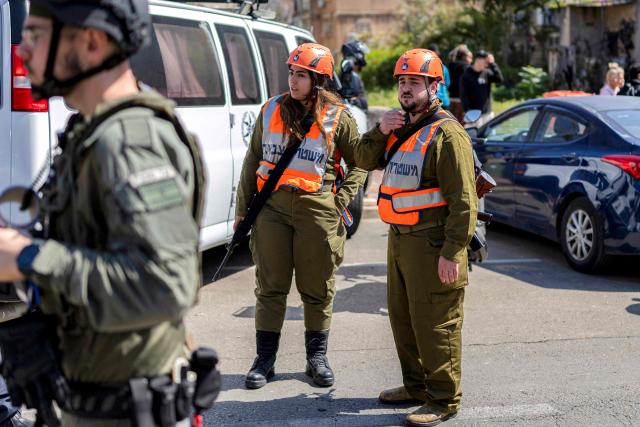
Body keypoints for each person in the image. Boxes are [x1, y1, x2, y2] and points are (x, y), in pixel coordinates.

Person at [0, 0, 207, 425]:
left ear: (92, 42)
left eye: (36, 35)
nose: (22, 49)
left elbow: (166, 284)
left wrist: (28, 257)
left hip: (128, 410)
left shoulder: (130, 141)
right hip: (90, 399)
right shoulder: (92, 129)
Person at [355, 48, 477, 426]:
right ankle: (416, 386)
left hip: (433, 243)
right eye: (402, 82)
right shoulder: (399, 127)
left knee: (436, 321)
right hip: (400, 240)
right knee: (403, 318)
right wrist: (380, 130)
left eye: (415, 82)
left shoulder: (448, 134)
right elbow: (361, 159)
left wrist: (452, 252)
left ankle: (443, 399)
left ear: (434, 87)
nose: (406, 89)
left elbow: (464, 202)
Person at [236, 43, 367, 389]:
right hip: (271, 210)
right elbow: (251, 163)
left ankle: (317, 359)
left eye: (302, 75)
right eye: (291, 73)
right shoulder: (270, 110)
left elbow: (361, 163)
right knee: (270, 287)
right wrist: (241, 213)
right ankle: (264, 361)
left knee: (317, 288)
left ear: (319, 80)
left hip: (316, 209)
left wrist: (339, 203)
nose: (293, 81)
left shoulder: (338, 116)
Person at [461, 50, 503, 127]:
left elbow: (499, 79)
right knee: (473, 137)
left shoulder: (487, 73)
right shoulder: (467, 74)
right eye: (486, 63)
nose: (487, 65)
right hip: (473, 114)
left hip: (487, 113)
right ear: (478, 61)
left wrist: (493, 64)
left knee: (488, 137)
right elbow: (463, 95)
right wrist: (467, 111)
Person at [339, 40, 369, 110]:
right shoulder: (347, 71)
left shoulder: (356, 77)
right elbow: (345, 65)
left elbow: (362, 100)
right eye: (362, 55)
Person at [447, 44, 473, 122]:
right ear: (464, 56)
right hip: (462, 101)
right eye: (470, 57)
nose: (471, 60)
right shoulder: (466, 67)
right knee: (461, 126)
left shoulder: (451, 65)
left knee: (451, 123)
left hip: (451, 99)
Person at [428, 44, 450, 110]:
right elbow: (448, 84)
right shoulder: (444, 68)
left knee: (433, 119)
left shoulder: (426, 68)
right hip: (445, 100)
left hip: (435, 100)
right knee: (445, 119)